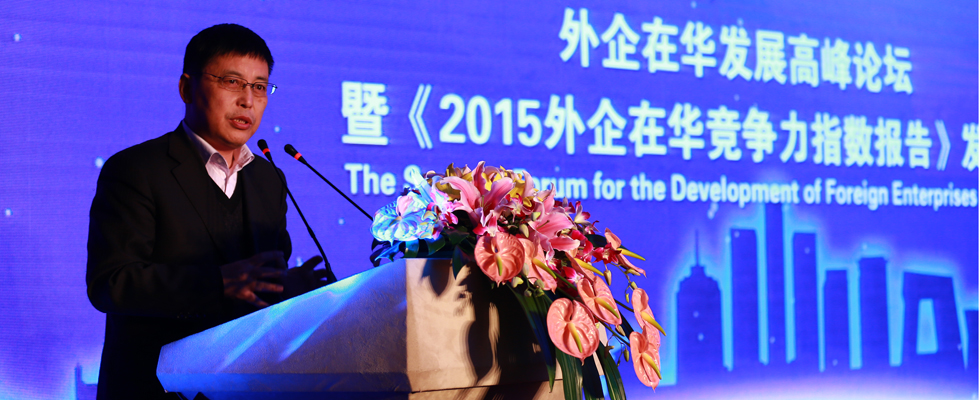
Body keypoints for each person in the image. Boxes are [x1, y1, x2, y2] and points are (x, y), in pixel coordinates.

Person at [86, 24, 327, 399]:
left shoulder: (268, 179)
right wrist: (218, 283)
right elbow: (112, 284)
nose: (248, 101)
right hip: (154, 389)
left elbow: (259, 287)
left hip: (250, 388)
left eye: (260, 87)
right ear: (187, 88)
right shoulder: (136, 169)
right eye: (232, 82)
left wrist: (291, 291)